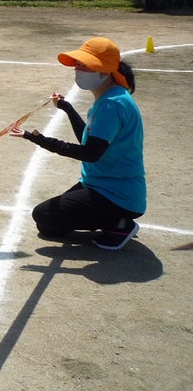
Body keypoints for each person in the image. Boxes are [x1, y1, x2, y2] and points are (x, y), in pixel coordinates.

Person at [10, 37, 145, 250]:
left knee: (42, 214)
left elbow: (90, 153)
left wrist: (38, 138)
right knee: (48, 228)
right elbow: (89, 138)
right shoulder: (110, 97)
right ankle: (110, 218)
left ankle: (120, 223)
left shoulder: (111, 104)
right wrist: (67, 108)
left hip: (118, 194)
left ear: (105, 70)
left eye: (86, 65)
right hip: (99, 184)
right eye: (78, 64)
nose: (78, 69)